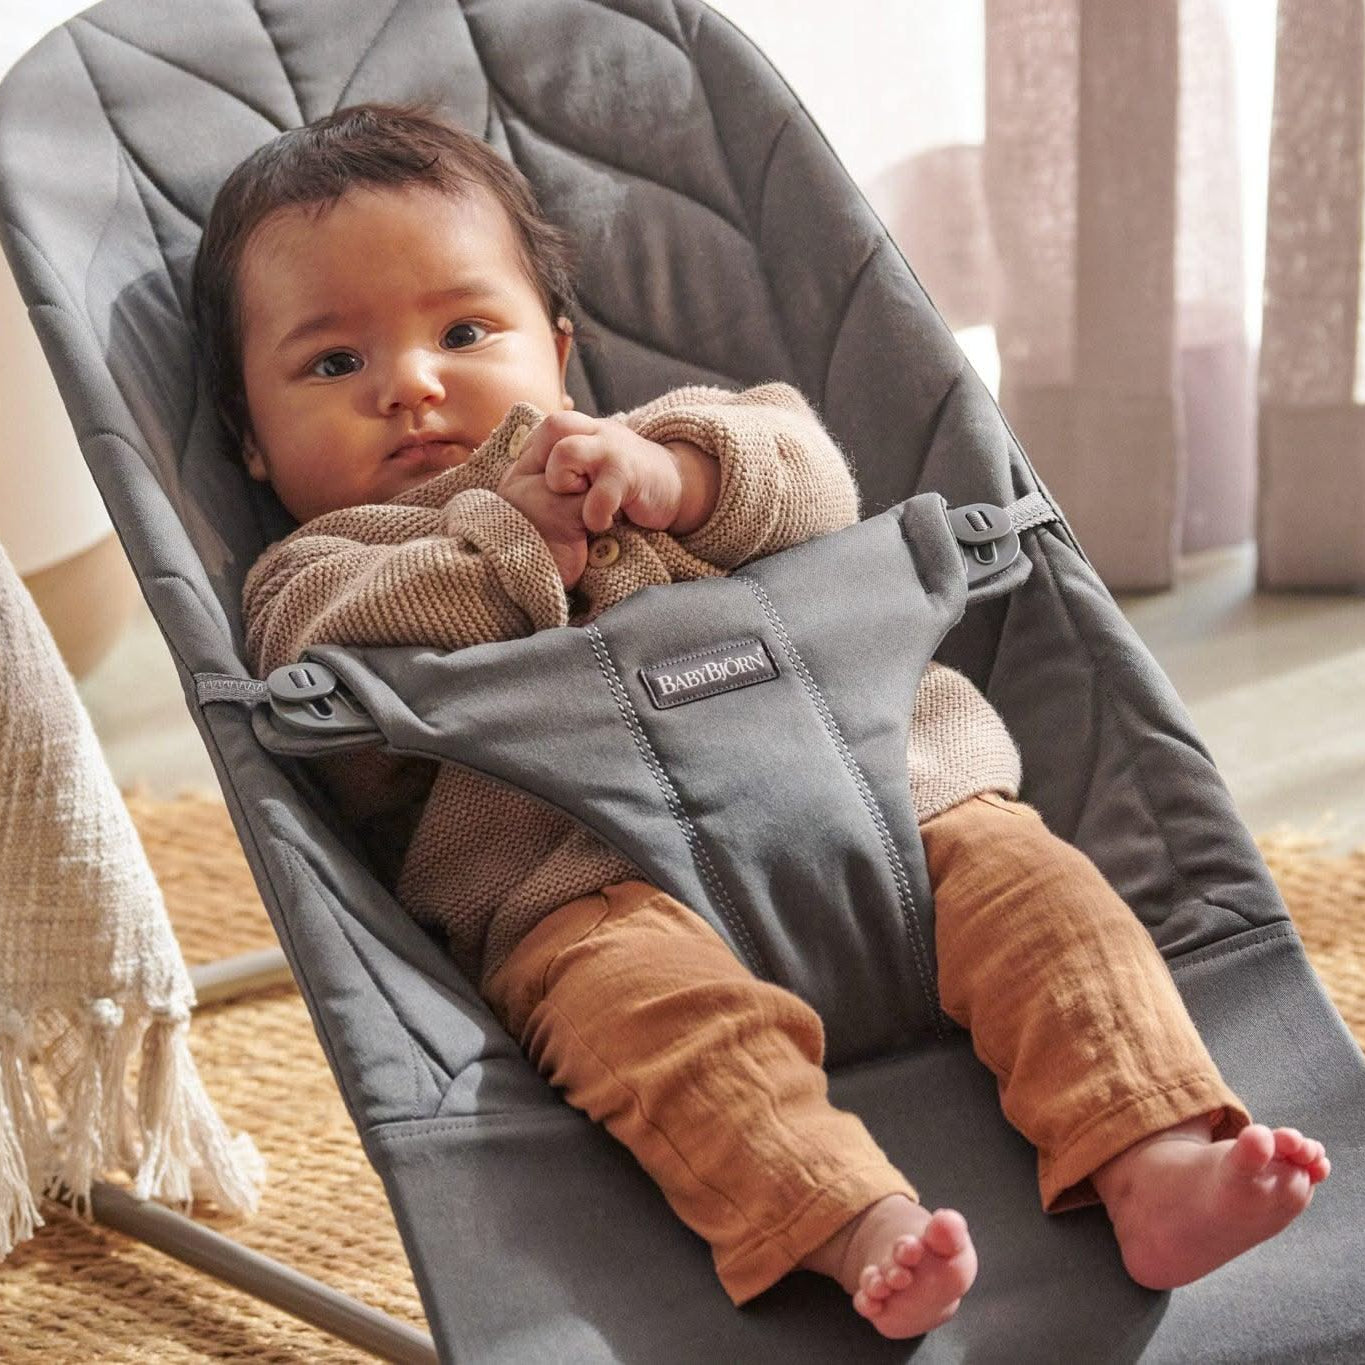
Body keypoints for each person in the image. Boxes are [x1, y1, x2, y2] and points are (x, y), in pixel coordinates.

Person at [194, 103, 1329, 1340]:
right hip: (590, 893)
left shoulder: (654, 444)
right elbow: (337, 649)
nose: (411, 386)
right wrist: (512, 540)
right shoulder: (323, 565)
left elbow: (812, 477)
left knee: (1044, 902)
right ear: (251, 438)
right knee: (663, 1042)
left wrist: (678, 478)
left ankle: (1151, 1152)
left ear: (557, 352)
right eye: (333, 365)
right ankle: (851, 1225)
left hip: (896, 807)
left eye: (464, 333)